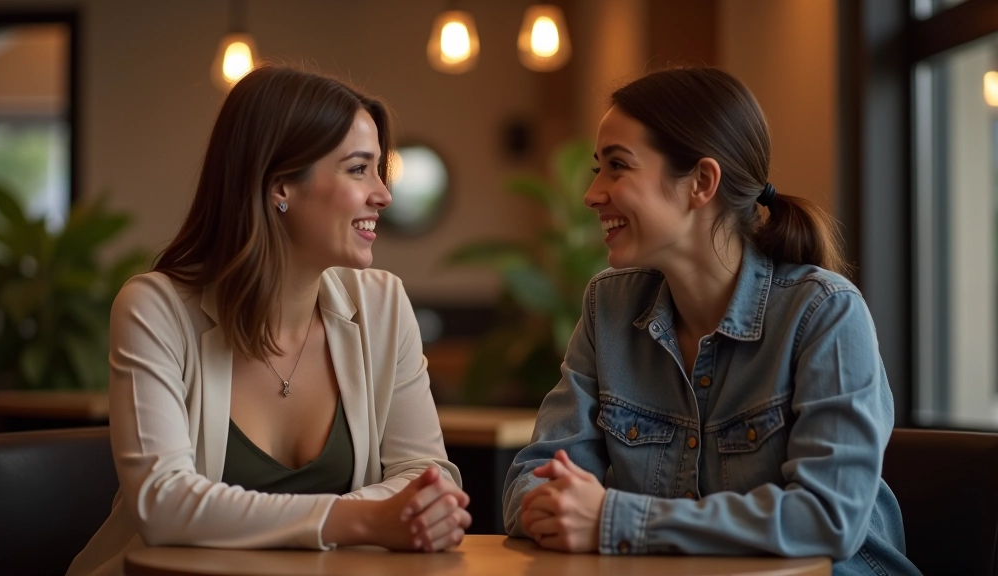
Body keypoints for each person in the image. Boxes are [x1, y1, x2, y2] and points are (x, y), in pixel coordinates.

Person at [502, 67, 920, 575]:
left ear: (701, 182)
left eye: (617, 166)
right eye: (598, 168)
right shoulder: (607, 308)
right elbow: (534, 478)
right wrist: (559, 507)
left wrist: (617, 519)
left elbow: (827, 519)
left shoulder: (825, 312)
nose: (593, 193)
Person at [69, 65, 470, 576]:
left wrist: (381, 515)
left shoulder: (383, 304)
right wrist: (365, 521)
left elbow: (429, 476)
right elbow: (164, 504)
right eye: (357, 169)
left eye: (379, 170)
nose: (383, 194)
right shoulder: (154, 308)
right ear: (281, 186)